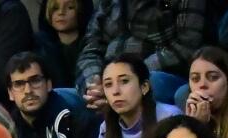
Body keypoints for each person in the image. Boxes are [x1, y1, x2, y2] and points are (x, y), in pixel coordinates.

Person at [75, 0, 206, 108]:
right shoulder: (107, 3)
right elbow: (90, 50)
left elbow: (186, 47)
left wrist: (130, 76)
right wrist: (94, 86)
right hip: (109, 79)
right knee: (63, 97)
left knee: (154, 83)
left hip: (162, 76)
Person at [6, 51, 95, 138]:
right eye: (19, 84)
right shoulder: (6, 130)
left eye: (35, 80)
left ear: (48, 84)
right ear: (10, 93)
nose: (28, 90)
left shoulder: (74, 121)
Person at [37, 0, 87, 90]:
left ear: (81, 12)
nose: (61, 13)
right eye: (55, 8)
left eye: (70, 7)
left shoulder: (92, 45)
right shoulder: (41, 47)